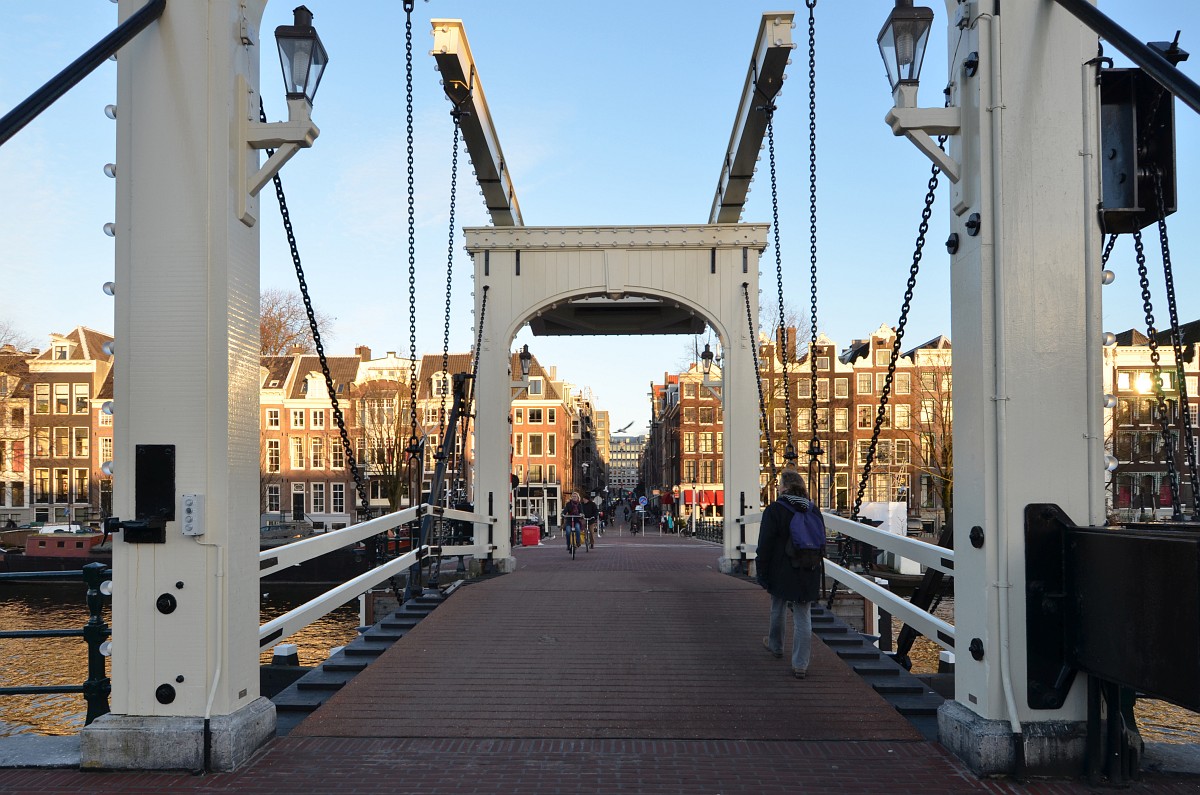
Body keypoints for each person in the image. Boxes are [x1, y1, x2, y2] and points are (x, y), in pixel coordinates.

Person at [756, 469, 824, 679]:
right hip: (808, 567)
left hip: (782, 568)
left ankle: (776, 645)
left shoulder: (775, 510)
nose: (777, 488)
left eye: (779, 484)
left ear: (784, 487)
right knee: (803, 615)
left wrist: (762, 569)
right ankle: (800, 664)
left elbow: (765, 543)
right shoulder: (813, 510)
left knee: (778, 605)